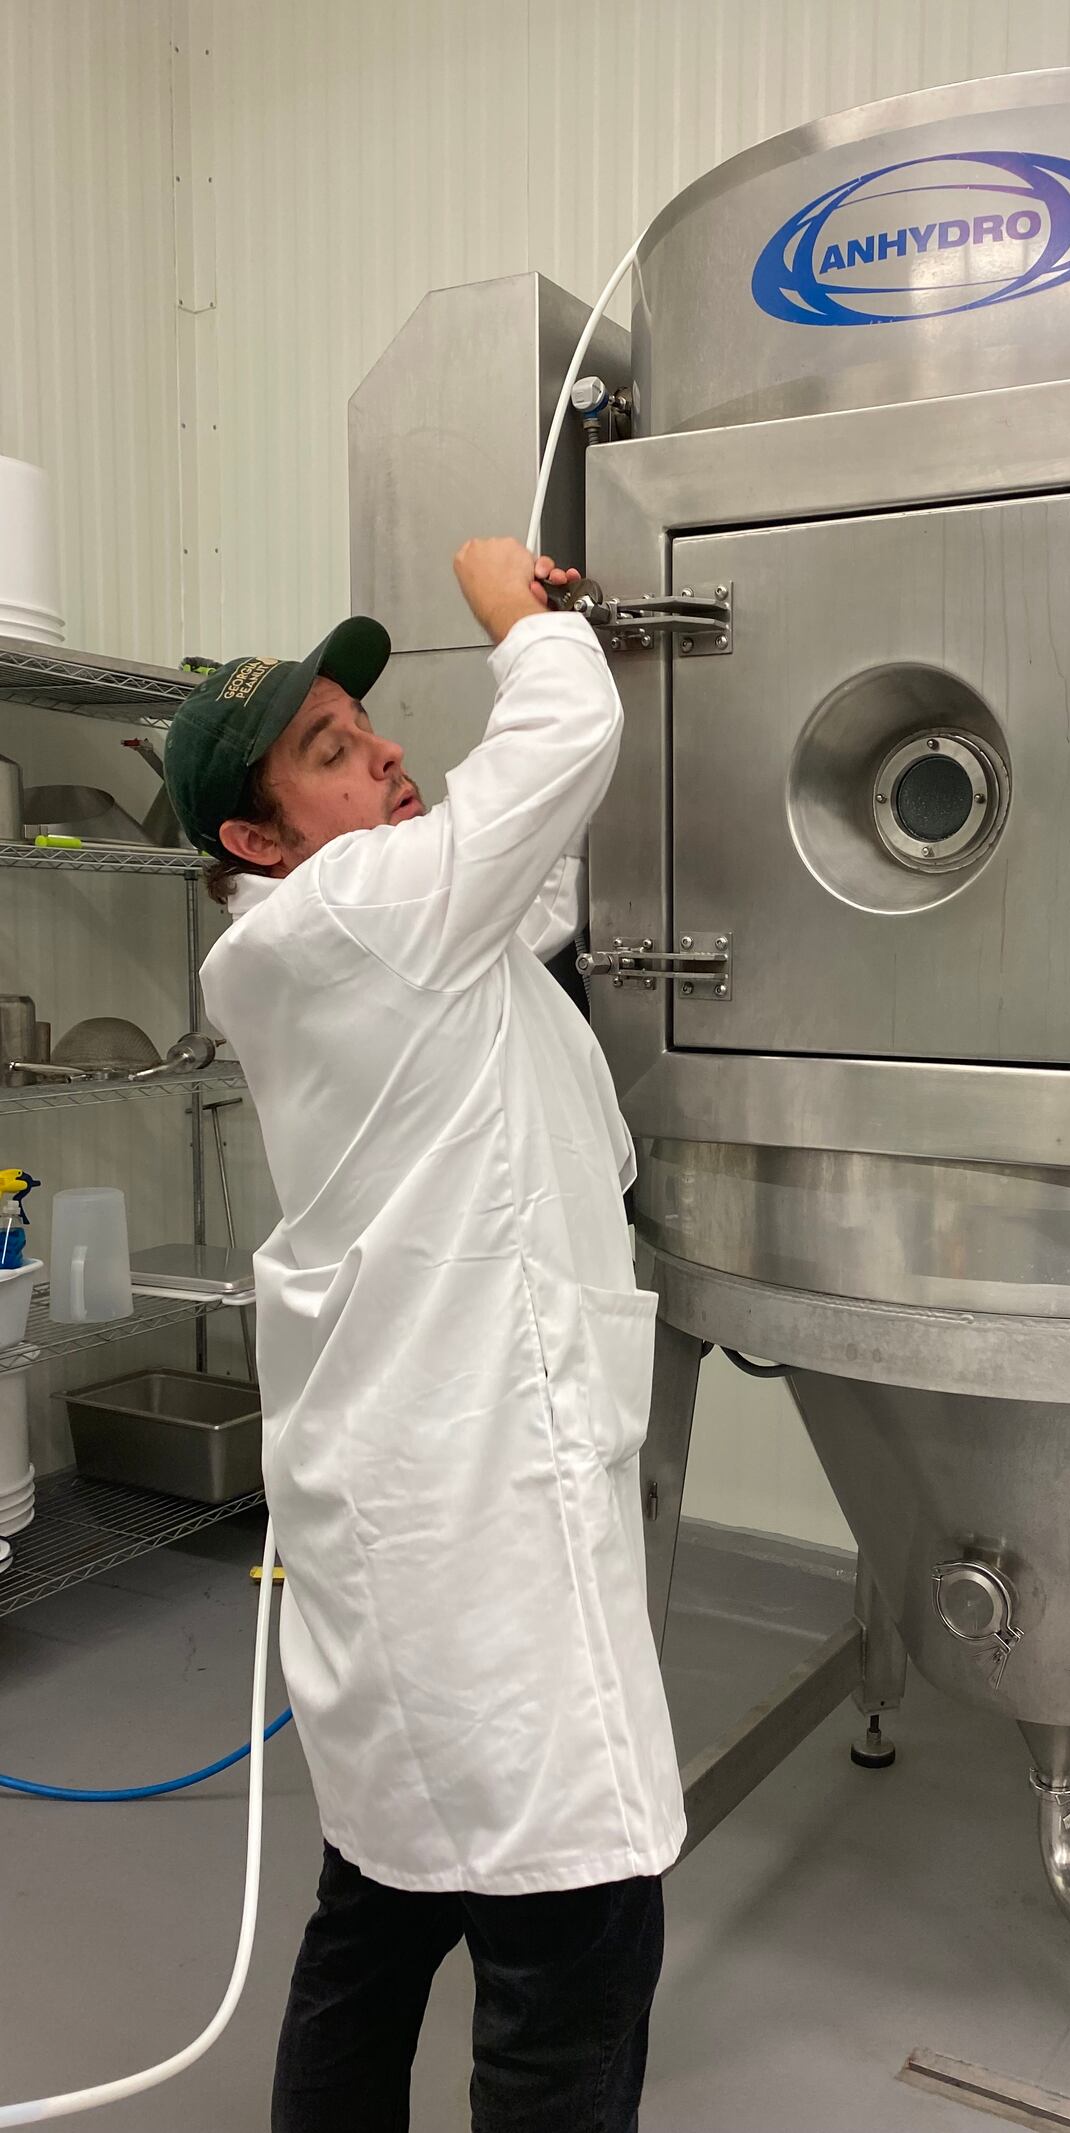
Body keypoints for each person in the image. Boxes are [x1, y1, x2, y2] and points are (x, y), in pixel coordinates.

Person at [163, 537, 684, 2133]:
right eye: (330, 750)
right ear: (255, 835)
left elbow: (534, 867)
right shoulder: (345, 921)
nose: (384, 750)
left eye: (366, 721)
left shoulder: (384, 934)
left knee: (380, 1913)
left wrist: (582, 636)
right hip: (478, 1544)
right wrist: (516, 614)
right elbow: (555, 756)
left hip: (411, 1528)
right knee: (572, 1942)